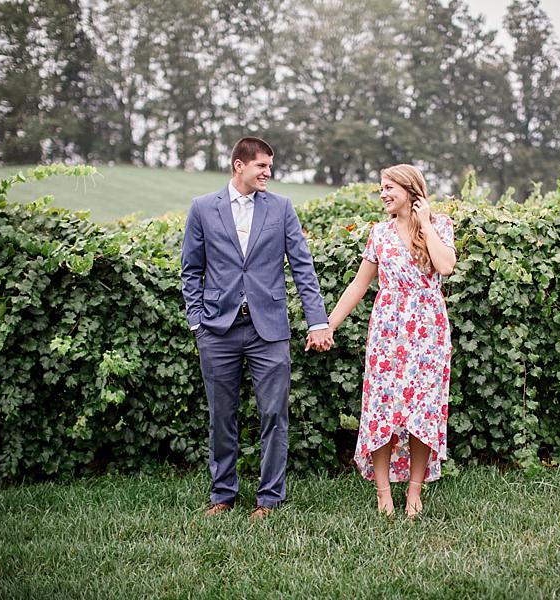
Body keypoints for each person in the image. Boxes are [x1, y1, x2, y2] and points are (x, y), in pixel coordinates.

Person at [181, 136, 333, 521]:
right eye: (262, 166)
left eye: (270, 166)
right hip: (218, 329)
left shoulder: (281, 208)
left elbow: (302, 267)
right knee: (221, 415)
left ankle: (268, 499)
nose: (269, 172)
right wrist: (198, 321)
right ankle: (223, 495)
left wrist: (317, 320)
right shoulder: (202, 208)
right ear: (239, 165)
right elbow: (191, 270)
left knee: (274, 415)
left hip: (270, 330)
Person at [323, 164, 455, 518]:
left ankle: (414, 491)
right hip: (387, 331)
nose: (382, 194)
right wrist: (328, 324)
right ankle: (384, 492)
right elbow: (359, 285)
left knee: (422, 410)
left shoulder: (440, 226)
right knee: (382, 408)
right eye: (381, 188)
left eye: (389, 187)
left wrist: (425, 224)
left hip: (428, 333)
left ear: (410, 190)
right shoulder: (379, 233)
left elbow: (445, 267)